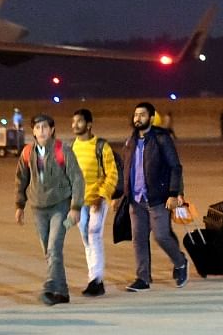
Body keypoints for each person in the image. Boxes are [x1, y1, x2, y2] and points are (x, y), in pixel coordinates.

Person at [14, 114, 84, 306]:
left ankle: (50, 286)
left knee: (53, 247)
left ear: (52, 130)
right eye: (38, 128)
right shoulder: (28, 152)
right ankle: (62, 292)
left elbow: (77, 178)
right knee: (49, 250)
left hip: (60, 205)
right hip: (38, 207)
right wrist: (19, 205)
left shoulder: (63, 150)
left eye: (45, 127)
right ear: (33, 131)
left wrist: (75, 206)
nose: (42, 131)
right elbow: (21, 179)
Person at [123, 102, 190, 291]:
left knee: (161, 236)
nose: (138, 118)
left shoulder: (161, 138)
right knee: (139, 239)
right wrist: (121, 194)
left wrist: (174, 193)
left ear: (151, 118)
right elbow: (126, 168)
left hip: (158, 198)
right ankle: (142, 278)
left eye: (142, 115)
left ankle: (180, 262)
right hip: (136, 200)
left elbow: (175, 167)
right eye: (136, 115)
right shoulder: (130, 141)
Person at [69, 109, 118, 296]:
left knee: (94, 234)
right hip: (80, 201)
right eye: (73, 122)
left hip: (97, 200)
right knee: (87, 240)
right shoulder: (72, 148)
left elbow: (112, 173)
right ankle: (94, 278)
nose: (75, 125)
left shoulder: (101, 146)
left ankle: (96, 280)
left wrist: (102, 195)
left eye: (79, 121)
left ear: (89, 124)